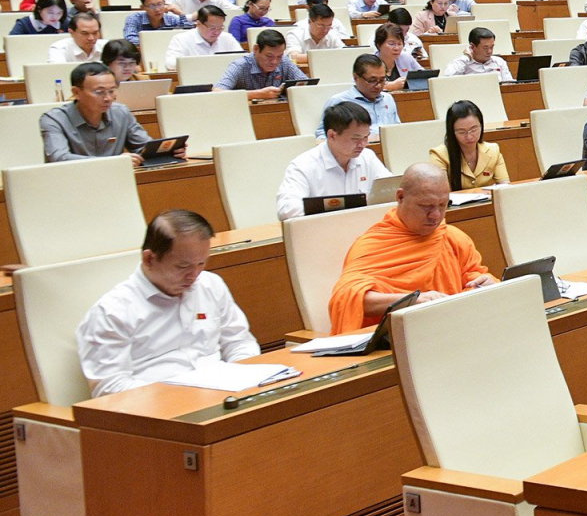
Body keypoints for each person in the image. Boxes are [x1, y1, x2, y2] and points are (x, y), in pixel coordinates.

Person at [75, 211, 260, 396]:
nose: (194, 275)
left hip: (225, 395)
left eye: (201, 263)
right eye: (183, 266)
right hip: (160, 411)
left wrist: (247, 380)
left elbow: (240, 343)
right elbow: (109, 388)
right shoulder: (112, 312)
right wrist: (177, 396)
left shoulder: (211, 285)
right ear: (149, 259)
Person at [326, 164, 497, 334]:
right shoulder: (373, 244)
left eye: (442, 205)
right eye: (426, 206)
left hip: (453, 330)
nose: (435, 215)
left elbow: (473, 276)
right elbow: (347, 297)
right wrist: (412, 301)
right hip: (397, 338)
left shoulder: (453, 238)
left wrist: (486, 283)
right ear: (400, 197)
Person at [275, 101, 394, 220]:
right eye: (355, 138)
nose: (363, 144)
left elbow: (390, 191)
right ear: (332, 135)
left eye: (366, 137)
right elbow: (286, 210)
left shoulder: (368, 157)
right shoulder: (303, 165)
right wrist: (338, 209)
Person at [41, 61, 149, 163]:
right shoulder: (54, 119)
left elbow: (145, 146)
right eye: (99, 92)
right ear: (76, 92)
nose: (108, 98)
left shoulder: (121, 113)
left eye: (111, 91)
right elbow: (59, 158)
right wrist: (113, 162)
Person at [429, 98, 508, 190]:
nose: (469, 136)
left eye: (473, 129)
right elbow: (440, 192)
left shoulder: (493, 150)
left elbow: (505, 188)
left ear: (481, 126)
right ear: (452, 132)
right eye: (462, 132)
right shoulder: (439, 155)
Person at [318, 54, 400, 139]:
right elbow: (323, 135)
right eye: (372, 81)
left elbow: (397, 129)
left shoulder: (388, 98)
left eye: (382, 80)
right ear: (356, 78)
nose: (378, 86)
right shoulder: (339, 101)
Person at [216, 29, 309, 99]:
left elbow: (308, 85)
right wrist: (257, 94)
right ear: (256, 49)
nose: (274, 62)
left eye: (279, 56)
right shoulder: (240, 65)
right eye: (269, 56)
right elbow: (217, 92)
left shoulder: (284, 62)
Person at [164, 4, 242, 71]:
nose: (217, 32)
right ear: (198, 24)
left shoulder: (227, 38)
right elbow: (170, 64)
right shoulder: (181, 39)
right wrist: (201, 64)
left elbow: (241, 60)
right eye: (212, 28)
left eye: (220, 27)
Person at [124, 0, 190, 42]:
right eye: (152, 6)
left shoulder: (171, 19)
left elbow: (188, 34)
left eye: (159, 4)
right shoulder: (134, 19)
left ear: (164, 3)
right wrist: (156, 43)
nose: (157, 9)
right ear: (143, 7)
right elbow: (130, 39)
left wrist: (181, 14)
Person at [443, 26, 512, 77]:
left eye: (492, 47)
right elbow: (447, 79)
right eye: (485, 48)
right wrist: (467, 57)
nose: (489, 51)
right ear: (472, 46)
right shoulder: (462, 62)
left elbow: (509, 85)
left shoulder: (499, 62)